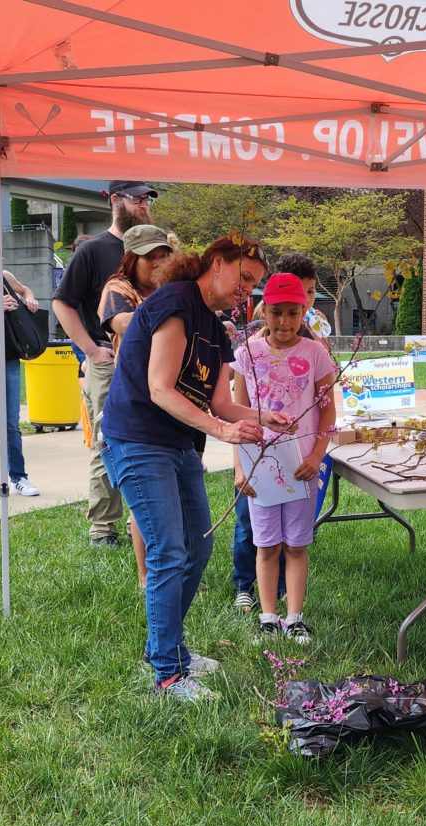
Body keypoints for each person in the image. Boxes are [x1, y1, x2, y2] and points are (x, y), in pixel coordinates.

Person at [100, 234, 288, 702]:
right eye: (244, 278)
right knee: (168, 550)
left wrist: (263, 418)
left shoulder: (217, 326)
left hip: (178, 443)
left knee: (198, 548)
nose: (248, 291)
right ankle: (167, 673)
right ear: (217, 263)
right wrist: (222, 433)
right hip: (137, 438)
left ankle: (167, 649)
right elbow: (161, 388)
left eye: (254, 284)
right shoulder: (176, 302)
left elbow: (222, 401)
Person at [53, 180, 158, 548]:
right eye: (137, 198)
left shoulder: (157, 248)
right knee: (108, 440)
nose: (144, 204)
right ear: (116, 201)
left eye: (148, 199)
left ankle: (144, 518)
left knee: (150, 441)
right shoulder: (94, 250)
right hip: (109, 360)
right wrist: (90, 351)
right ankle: (102, 528)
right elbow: (62, 302)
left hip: (154, 363)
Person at [233, 273, 336, 644]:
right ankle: (267, 615)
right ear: (265, 312)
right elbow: (238, 411)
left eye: (293, 313)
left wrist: (316, 454)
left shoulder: (316, 354)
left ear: (304, 311)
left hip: (302, 465)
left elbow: (327, 413)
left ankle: (294, 616)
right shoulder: (247, 354)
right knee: (266, 544)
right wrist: (240, 466)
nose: (285, 322)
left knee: (295, 544)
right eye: (277, 313)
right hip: (260, 464)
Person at [98, 224, 174, 586]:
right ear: (131, 259)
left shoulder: (169, 290)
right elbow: (124, 323)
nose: (158, 263)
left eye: (163, 255)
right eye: (150, 257)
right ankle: (147, 576)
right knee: (144, 499)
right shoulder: (118, 288)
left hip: (171, 400)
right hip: (135, 404)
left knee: (170, 494)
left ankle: (171, 570)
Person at [0, 233, 41, 502]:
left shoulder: (4, 277)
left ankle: (18, 477)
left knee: (12, 424)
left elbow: (25, 289)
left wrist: (28, 298)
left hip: (10, 359)